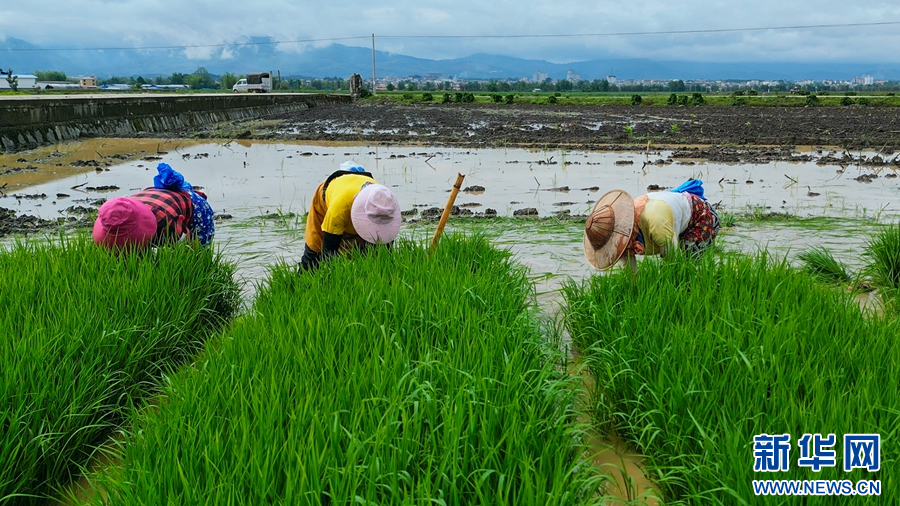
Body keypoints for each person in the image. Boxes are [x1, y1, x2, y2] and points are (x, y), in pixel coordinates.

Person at [583, 180, 720, 270]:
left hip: (699, 217)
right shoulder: (622, 231)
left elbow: (672, 260)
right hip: (670, 215)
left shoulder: (656, 223)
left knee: (688, 267)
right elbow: (630, 269)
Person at [299, 163, 401, 271]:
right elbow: (329, 253)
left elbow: (386, 252)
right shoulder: (339, 209)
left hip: (357, 196)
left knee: (372, 255)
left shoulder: (385, 203)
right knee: (314, 253)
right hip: (328, 201)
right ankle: (301, 278)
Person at [92, 163, 214, 251]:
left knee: (198, 250)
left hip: (196, 207)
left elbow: (188, 242)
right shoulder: (113, 216)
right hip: (157, 198)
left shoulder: (167, 225)